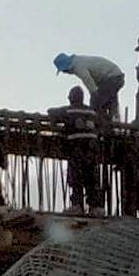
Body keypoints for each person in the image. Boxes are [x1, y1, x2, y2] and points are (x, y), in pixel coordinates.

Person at [48, 86, 104, 216]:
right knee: (91, 179)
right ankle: (95, 207)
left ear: (72, 98)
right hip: (92, 150)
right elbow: (101, 123)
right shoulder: (91, 111)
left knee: (76, 178)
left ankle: (77, 206)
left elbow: (51, 112)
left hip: (76, 149)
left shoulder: (69, 111)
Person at [54, 53, 125, 122]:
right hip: (115, 76)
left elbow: (90, 84)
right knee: (108, 103)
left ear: (66, 66)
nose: (64, 72)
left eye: (63, 70)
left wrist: (93, 102)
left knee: (96, 104)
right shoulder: (78, 61)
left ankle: (100, 123)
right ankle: (112, 121)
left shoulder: (78, 67)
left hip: (112, 78)